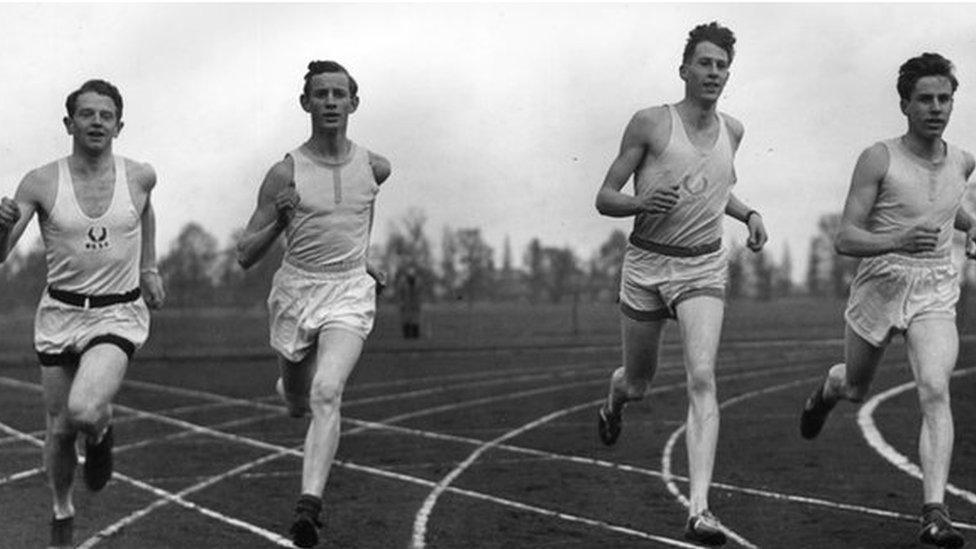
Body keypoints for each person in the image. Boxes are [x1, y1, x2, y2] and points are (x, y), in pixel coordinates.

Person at [593, 22, 767, 546]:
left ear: (728, 74)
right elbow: (605, 197)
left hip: (702, 268)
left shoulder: (733, 130)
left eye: (722, 66)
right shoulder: (650, 124)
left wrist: (749, 213)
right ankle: (613, 401)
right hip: (647, 267)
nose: (714, 73)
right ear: (685, 70)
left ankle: (700, 509)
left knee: (702, 376)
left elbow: (716, 190)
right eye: (705, 64)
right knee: (639, 384)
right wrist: (640, 202)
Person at [799, 52, 975, 549]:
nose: (936, 108)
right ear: (905, 104)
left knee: (935, 389)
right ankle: (826, 391)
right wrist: (898, 239)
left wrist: (971, 223)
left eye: (945, 99)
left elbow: (947, 203)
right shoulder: (879, 158)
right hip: (880, 281)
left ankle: (934, 512)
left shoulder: (963, 160)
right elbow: (845, 238)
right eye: (925, 99)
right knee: (855, 387)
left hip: (935, 287)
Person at [0, 79, 165, 549]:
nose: (97, 122)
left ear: (119, 124)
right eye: (87, 114)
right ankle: (62, 510)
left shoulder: (140, 176)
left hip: (117, 314)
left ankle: (101, 429)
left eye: (105, 115)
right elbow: (1, 254)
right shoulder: (41, 181)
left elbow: (146, 210)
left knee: (84, 409)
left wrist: (149, 266)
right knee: (57, 429)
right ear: (69, 123)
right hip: (60, 314)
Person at [236, 60, 391, 549]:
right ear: (305, 103)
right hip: (296, 293)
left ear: (353, 103)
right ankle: (288, 385)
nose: (329, 102)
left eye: (338, 94)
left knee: (328, 393)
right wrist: (279, 222)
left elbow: (362, 212)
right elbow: (245, 254)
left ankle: (309, 507)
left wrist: (361, 261)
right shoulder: (285, 171)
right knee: (298, 403)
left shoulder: (375, 166)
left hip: (347, 292)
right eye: (320, 94)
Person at [394, 263, 423, 339]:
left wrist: (419, 302)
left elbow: (420, 293)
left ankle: (415, 336)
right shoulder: (403, 282)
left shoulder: (418, 282)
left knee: (415, 320)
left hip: (415, 304)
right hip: (406, 304)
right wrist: (400, 302)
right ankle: (406, 336)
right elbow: (400, 293)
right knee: (406, 320)